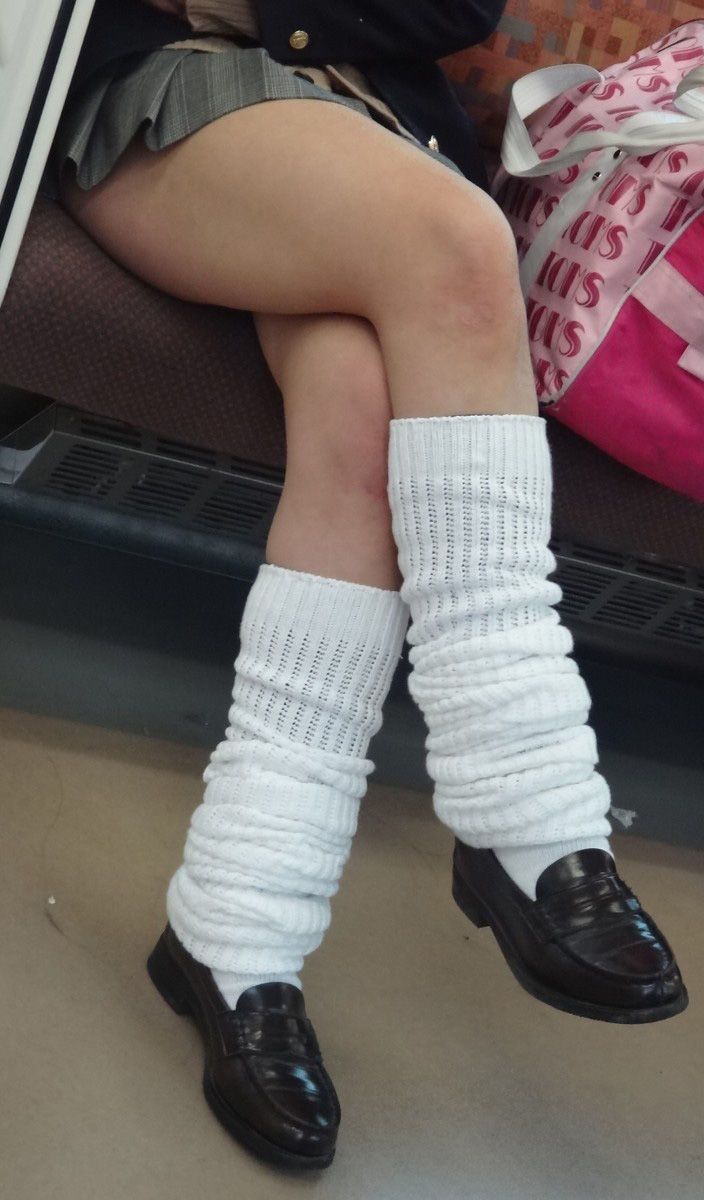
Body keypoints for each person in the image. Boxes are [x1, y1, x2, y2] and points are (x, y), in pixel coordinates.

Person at [50, 0, 688, 1173]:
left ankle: (235, 925)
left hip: (378, 127)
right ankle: (528, 807)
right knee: (454, 248)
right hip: (164, 86)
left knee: (356, 415)